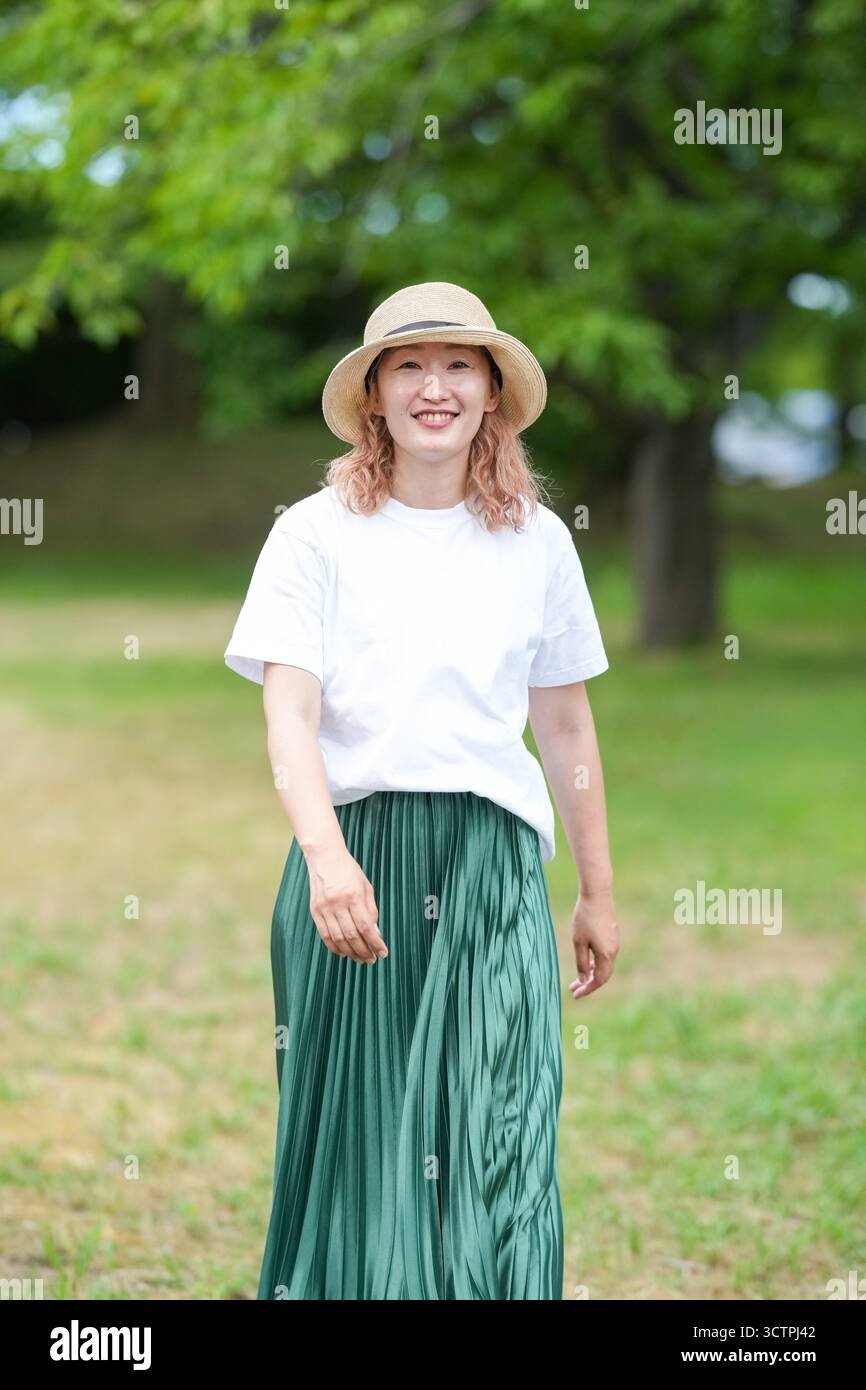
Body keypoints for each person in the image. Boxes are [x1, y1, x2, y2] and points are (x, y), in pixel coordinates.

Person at [224, 281, 619, 1300]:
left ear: (492, 394)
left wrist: (597, 888)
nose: (433, 386)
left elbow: (565, 724)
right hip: (354, 857)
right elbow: (288, 714)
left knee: (502, 1126)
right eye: (408, 365)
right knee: (362, 1150)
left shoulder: (536, 540)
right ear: (372, 397)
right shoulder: (312, 535)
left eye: (458, 366)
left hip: (488, 864)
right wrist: (324, 858)